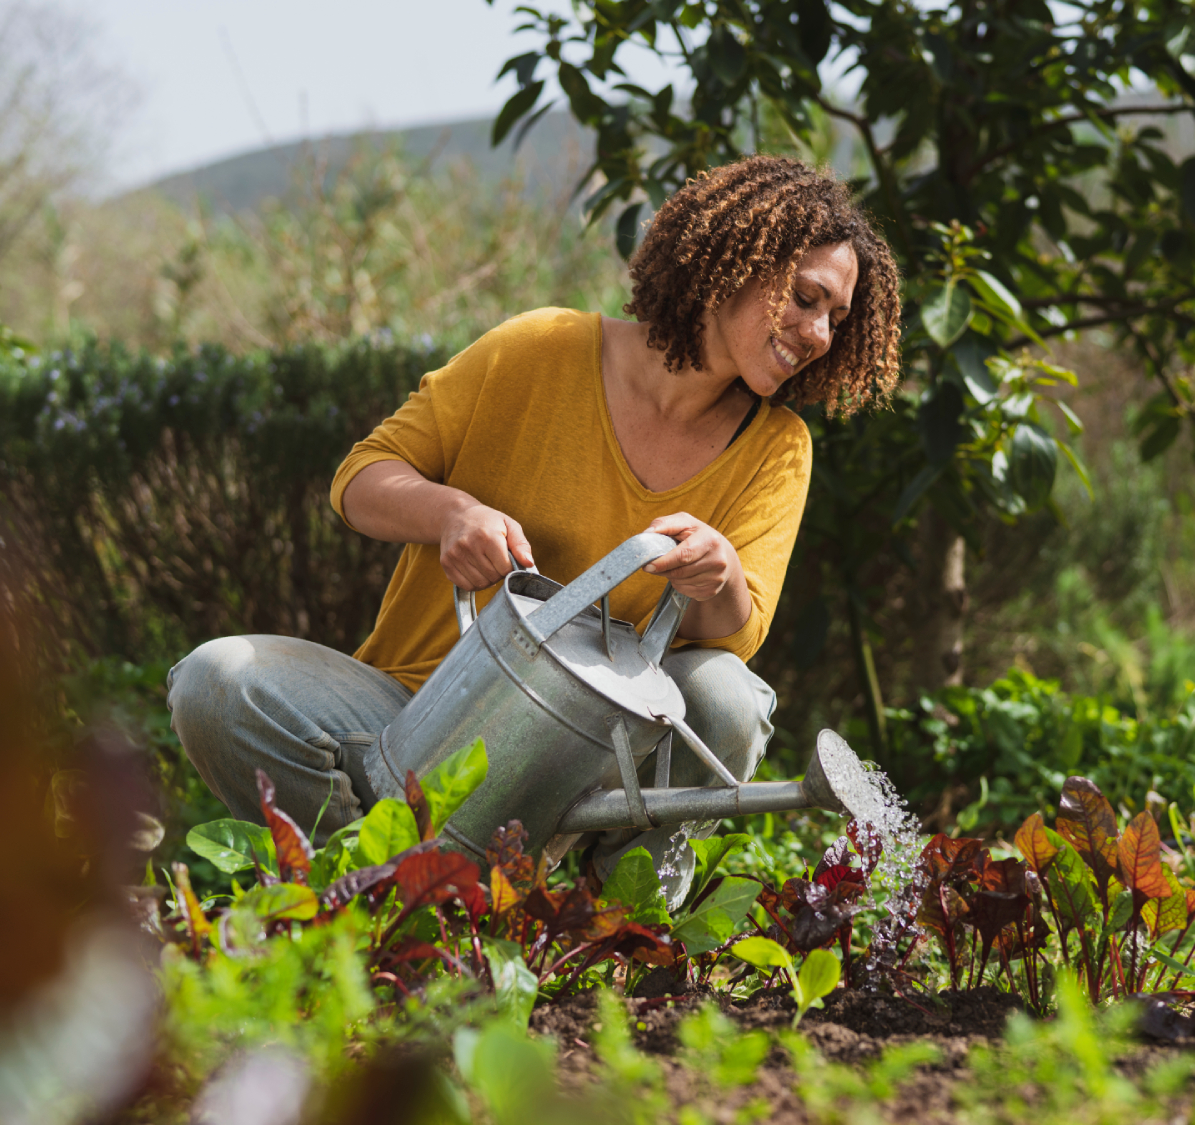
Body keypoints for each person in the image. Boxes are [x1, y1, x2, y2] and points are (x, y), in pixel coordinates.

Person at [166, 155, 900, 900]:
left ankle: (616, 924)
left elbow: (736, 638)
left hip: (575, 765)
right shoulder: (541, 349)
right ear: (732, 262)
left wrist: (721, 574)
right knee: (217, 681)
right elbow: (361, 477)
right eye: (805, 298)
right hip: (417, 714)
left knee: (728, 696)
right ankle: (375, 894)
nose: (817, 332)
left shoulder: (777, 446)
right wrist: (453, 512)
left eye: (837, 319)